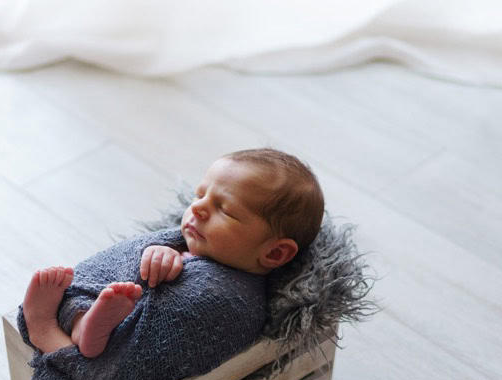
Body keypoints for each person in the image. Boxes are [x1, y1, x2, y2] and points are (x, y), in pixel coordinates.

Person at [21, 147, 324, 358]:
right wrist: (161, 252)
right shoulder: (192, 248)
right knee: (106, 292)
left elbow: (191, 328)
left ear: (274, 254)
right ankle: (84, 326)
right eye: (200, 195)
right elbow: (144, 258)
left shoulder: (240, 297)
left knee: (109, 353)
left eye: (225, 210)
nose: (197, 208)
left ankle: (46, 330)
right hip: (117, 313)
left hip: (133, 343)